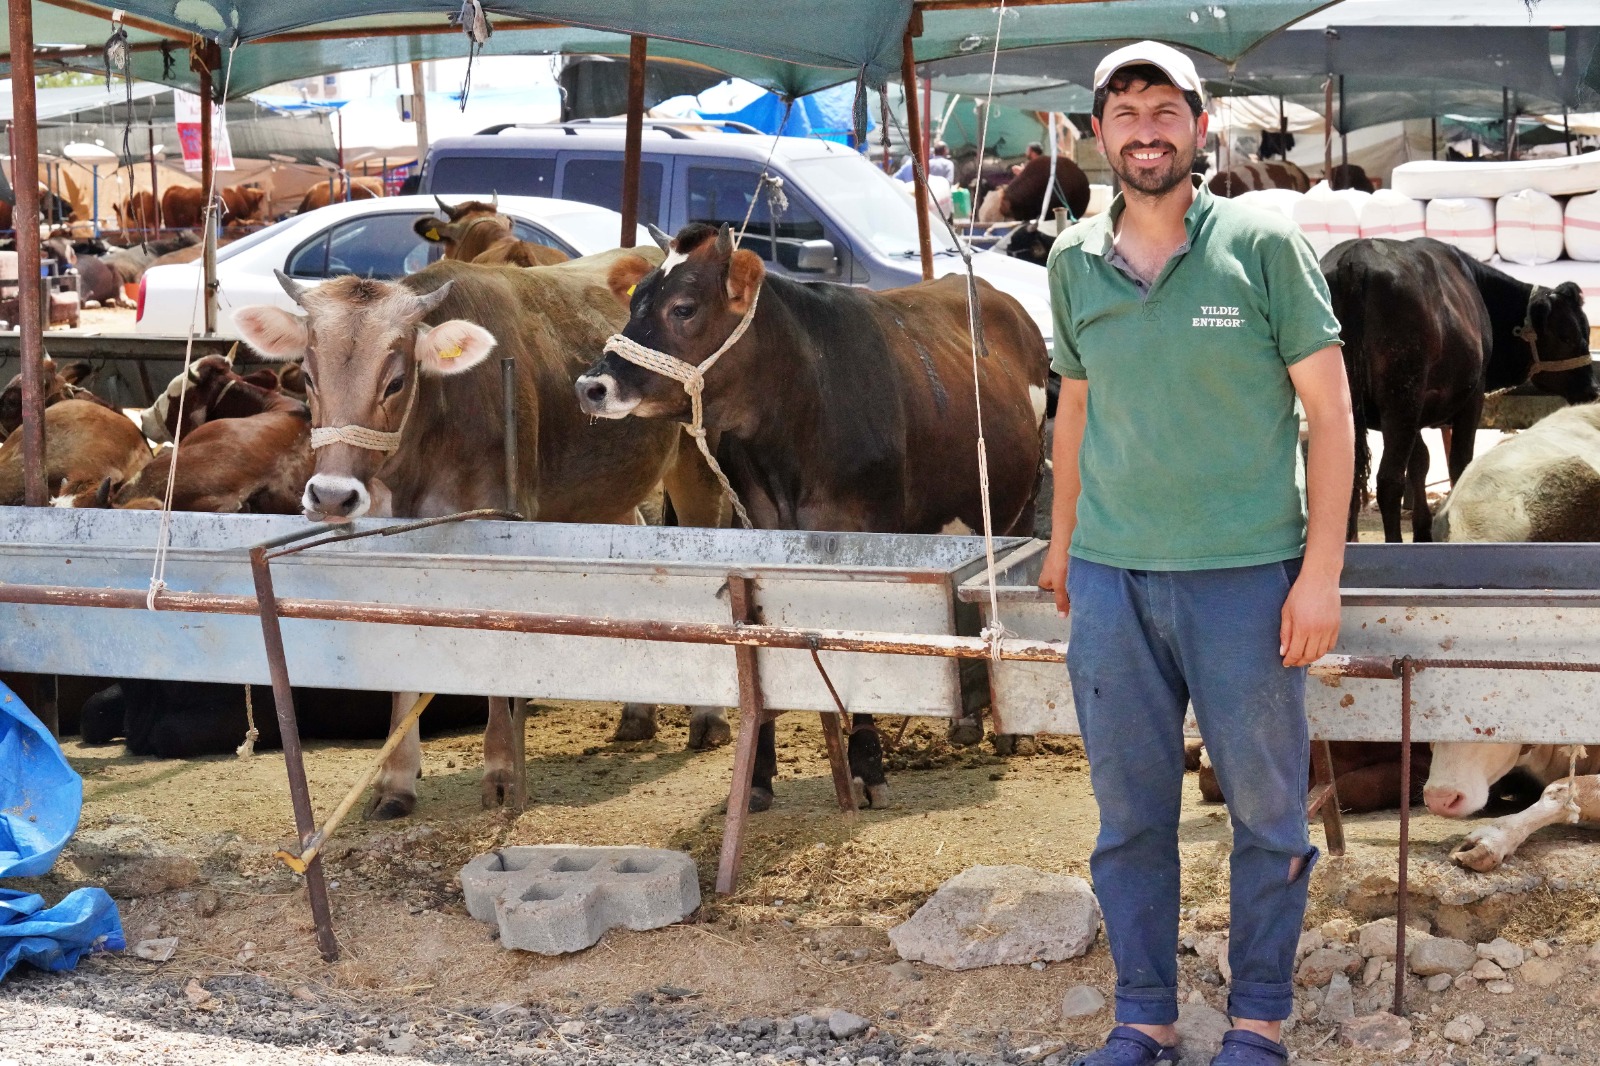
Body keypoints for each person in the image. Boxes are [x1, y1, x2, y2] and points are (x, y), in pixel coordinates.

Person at [1037, 41, 1353, 1066]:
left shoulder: (1258, 248)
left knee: (1265, 813)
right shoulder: (1072, 260)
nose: (1144, 129)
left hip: (1245, 582)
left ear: (1198, 128)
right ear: (1098, 137)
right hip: (1112, 580)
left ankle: (1257, 1016)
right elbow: (1074, 412)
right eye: (1123, 113)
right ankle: (1144, 1016)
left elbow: (1333, 416)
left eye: (1163, 110)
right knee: (1128, 818)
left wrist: (1318, 575)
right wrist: (1061, 545)